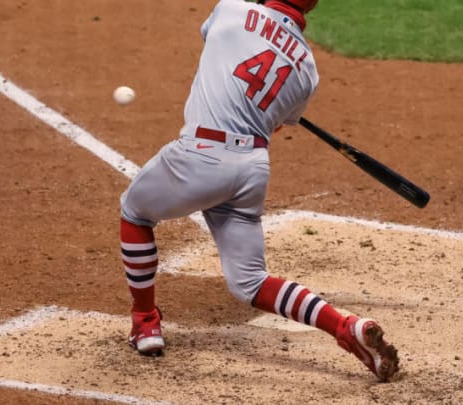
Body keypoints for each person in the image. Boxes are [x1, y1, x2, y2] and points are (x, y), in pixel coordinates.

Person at [119, 0, 400, 381]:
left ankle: (145, 323)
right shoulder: (307, 69)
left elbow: (223, 52)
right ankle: (344, 326)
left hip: (200, 156)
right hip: (250, 170)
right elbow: (276, 122)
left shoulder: (231, 10)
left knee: (135, 211)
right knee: (249, 281)